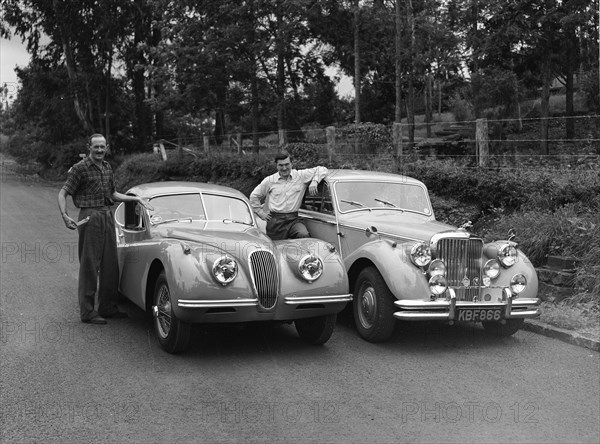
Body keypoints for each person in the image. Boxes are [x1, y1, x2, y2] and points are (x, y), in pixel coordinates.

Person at [57, 133, 153, 324]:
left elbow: (113, 193)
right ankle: (87, 312)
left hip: (107, 215)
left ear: (107, 147)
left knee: (110, 264)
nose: (100, 150)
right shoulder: (80, 168)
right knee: (90, 265)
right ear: (89, 147)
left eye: (102, 147)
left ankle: (108, 307)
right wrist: (65, 216)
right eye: (96, 147)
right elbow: (63, 193)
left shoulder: (107, 167)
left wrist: (134, 198)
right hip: (89, 217)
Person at [250, 152, 328, 240]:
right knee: (276, 246)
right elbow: (254, 196)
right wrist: (261, 213)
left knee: (303, 234)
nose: (284, 168)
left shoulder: (300, 176)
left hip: (294, 219)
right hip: (275, 221)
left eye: (287, 164)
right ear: (276, 166)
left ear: (291, 164)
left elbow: (322, 169)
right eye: (281, 165)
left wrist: (315, 181)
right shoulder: (269, 180)